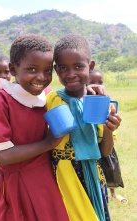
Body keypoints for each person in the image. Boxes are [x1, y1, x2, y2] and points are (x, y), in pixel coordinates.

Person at [0, 34, 69, 221]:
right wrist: (48, 143)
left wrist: (93, 89)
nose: (41, 77)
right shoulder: (0, 99)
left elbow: (73, 96)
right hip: (16, 183)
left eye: (47, 70)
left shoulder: (45, 95)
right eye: (32, 69)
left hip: (44, 176)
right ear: (13, 69)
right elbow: (1, 156)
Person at [46, 33, 122, 221]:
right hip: (64, 178)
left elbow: (105, 151)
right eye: (63, 68)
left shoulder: (99, 103)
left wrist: (109, 130)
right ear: (56, 70)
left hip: (94, 178)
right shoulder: (52, 100)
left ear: (91, 66)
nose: (71, 74)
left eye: (78, 66)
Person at [88, 69, 128, 204]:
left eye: (100, 82)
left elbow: (107, 149)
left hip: (104, 144)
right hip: (90, 148)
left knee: (111, 171)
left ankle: (113, 193)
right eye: (91, 82)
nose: (96, 86)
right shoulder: (81, 105)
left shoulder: (107, 105)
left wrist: (109, 130)